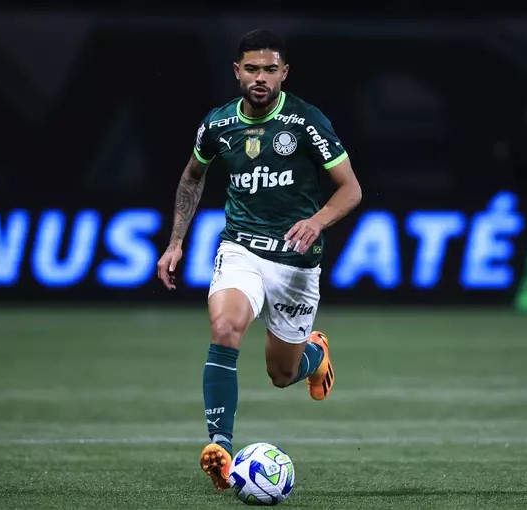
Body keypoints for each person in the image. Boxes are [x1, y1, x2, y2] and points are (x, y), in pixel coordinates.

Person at [156, 28, 362, 492]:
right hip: (240, 248)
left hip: (295, 261)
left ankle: (315, 354)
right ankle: (221, 448)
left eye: (270, 69)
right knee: (225, 328)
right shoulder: (217, 125)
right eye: (252, 69)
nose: (261, 78)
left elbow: (350, 189)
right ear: (237, 71)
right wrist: (175, 242)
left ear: (284, 73)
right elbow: (192, 177)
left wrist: (317, 221)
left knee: (281, 374)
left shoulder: (306, 121)